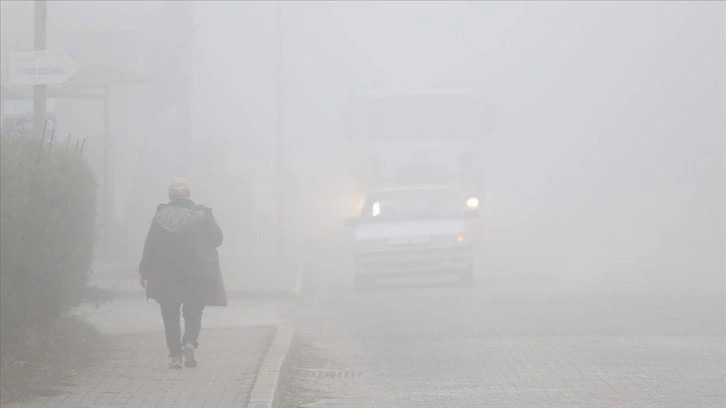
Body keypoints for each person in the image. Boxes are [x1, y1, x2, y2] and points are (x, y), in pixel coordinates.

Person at [139, 177, 226, 369]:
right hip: (197, 272)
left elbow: (150, 244)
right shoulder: (201, 214)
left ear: (170, 194)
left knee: (170, 314)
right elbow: (218, 239)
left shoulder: (162, 215)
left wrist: (144, 271)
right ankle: (189, 343)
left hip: (166, 274)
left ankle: (176, 356)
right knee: (193, 312)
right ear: (188, 194)